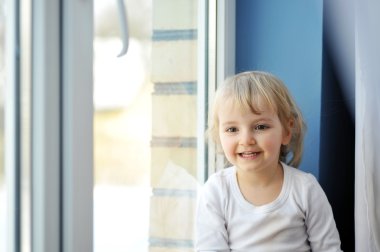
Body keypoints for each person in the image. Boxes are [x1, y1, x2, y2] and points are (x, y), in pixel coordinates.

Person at [195, 71, 342, 251]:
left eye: (260, 127)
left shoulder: (306, 189)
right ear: (219, 135)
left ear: (287, 131)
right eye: (232, 129)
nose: (246, 139)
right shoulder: (216, 191)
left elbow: (329, 248)